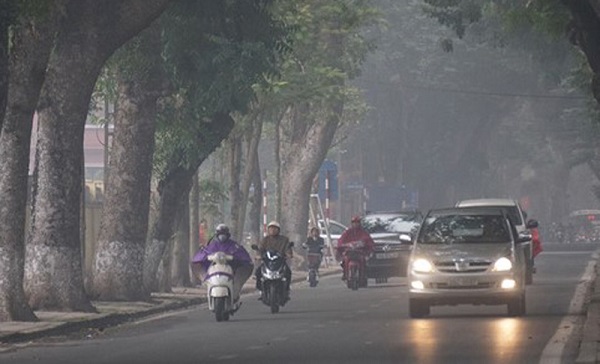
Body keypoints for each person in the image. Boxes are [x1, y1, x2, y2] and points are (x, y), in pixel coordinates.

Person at [190, 224, 254, 304]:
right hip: (214, 270)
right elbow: (202, 255)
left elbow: (243, 256)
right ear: (216, 234)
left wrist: (235, 258)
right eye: (220, 233)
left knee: (237, 279)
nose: (222, 236)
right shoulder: (211, 245)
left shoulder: (234, 245)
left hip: (231, 270)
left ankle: (234, 293)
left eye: (224, 233)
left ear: (228, 234)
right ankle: (208, 283)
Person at [255, 221, 293, 296]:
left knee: (288, 272)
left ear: (278, 230)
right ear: (268, 230)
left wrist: (288, 254)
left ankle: (287, 288)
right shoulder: (265, 240)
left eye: (275, 228)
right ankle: (260, 288)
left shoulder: (284, 240)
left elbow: (288, 249)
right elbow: (260, 249)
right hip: (267, 262)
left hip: (280, 262)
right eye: (271, 228)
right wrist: (258, 255)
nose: (272, 230)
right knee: (258, 272)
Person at [337, 215, 374, 281]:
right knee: (344, 260)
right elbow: (341, 240)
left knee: (364, 261)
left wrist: (366, 245)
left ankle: (363, 275)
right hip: (349, 252)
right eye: (354, 222)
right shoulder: (347, 232)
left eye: (357, 222)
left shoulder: (363, 232)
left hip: (360, 252)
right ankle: (345, 273)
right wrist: (342, 245)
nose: (355, 224)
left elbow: (368, 240)